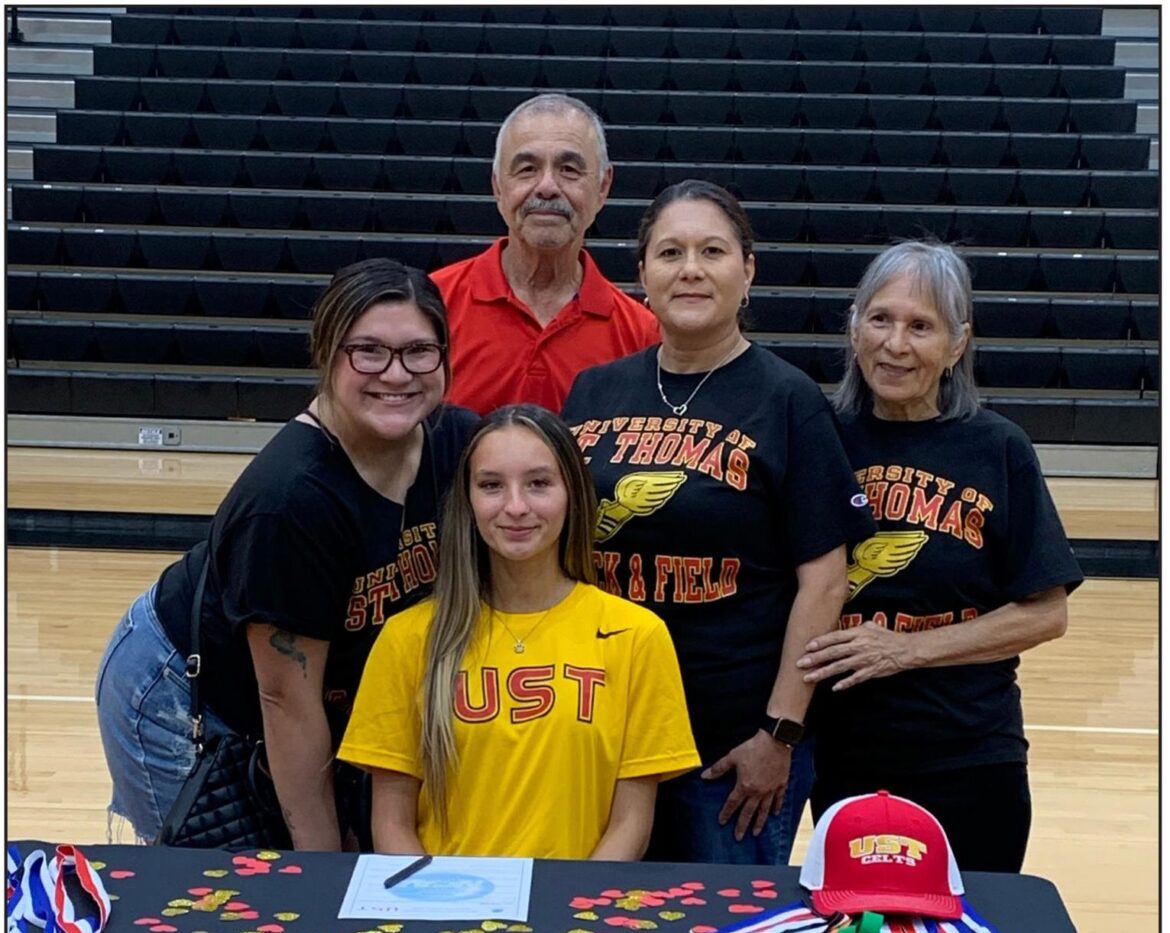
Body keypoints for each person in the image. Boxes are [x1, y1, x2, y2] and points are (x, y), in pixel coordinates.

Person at [95, 259, 477, 849]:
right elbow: (286, 703)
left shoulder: (456, 443)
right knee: (225, 884)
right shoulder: (290, 501)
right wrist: (317, 871)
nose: (397, 374)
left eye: (419, 351)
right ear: (327, 353)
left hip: (297, 687)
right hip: (180, 687)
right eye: (368, 351)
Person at [562, 181, 874, 866]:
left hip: (732, 743)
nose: (691, 270)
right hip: (604, 725)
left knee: (722, 927)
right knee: (597, 918)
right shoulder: (594, 390)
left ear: (748, 270)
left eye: (712, 251)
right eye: (670, 252)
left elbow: (825, 582)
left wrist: (779, 733)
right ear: (643, 273)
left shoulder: (788, 398)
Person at [797, 240, 1083, 872]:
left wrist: (906, 650)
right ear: (854, 328)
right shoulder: (819, 437)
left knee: (970, 925)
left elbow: (1047, 613)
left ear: (957, 344)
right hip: (846, 753)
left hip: (969, 752)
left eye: (920, 326)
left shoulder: (998, 448)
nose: (895, 344)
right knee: (862, 923)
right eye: (880, 319)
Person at [338, 405, 699, 859]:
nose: (515, 507)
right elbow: (392, 823)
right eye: (491, 485)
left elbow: (631, 823)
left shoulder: (636, 636)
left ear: (572, 493)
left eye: (538, 483)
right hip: (446, 897)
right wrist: (437, 899)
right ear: (467, 500)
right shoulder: (407, 638)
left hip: (575, 898)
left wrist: (573, 900)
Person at [432, 93, 658, 416]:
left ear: (603, 187)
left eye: (569, 169)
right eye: (527, 169)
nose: (547, 187)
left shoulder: (642, 335)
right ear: (497, 186)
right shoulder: (433, 307)